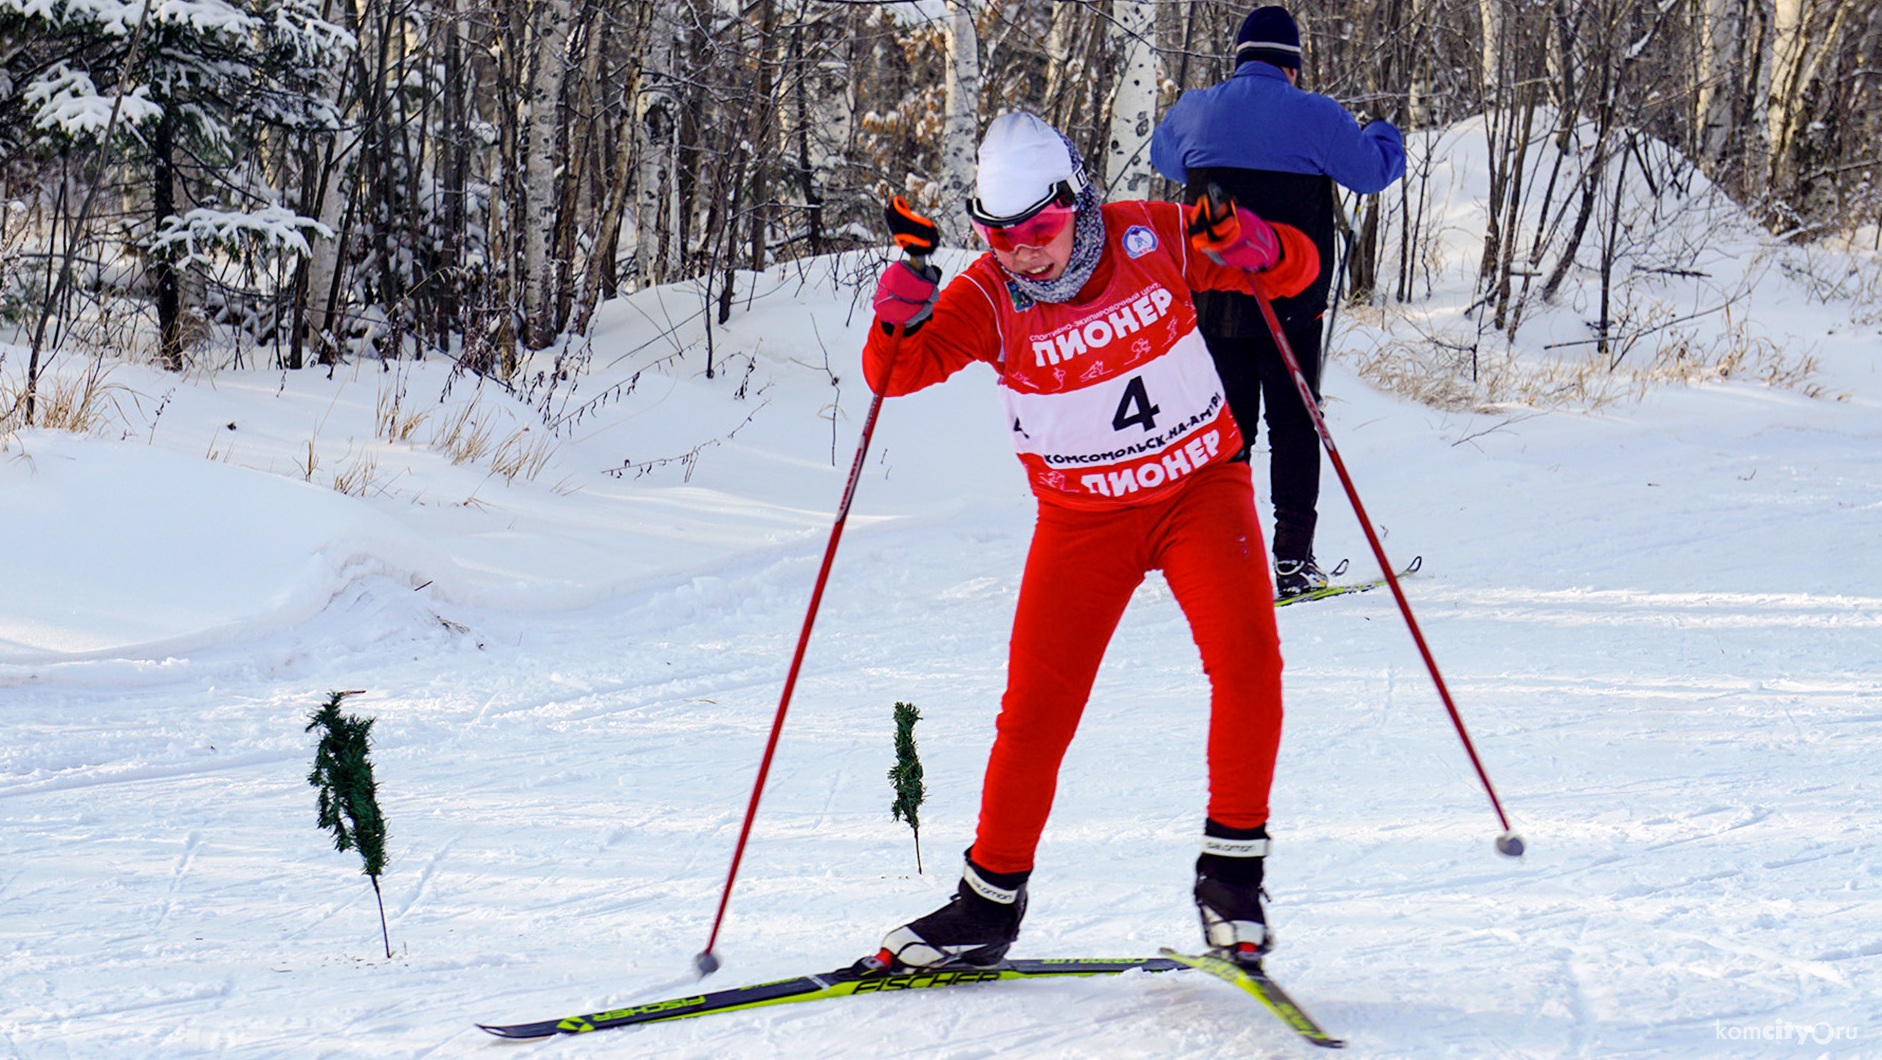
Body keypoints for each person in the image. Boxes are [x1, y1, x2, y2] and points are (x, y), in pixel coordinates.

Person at [860, 111, 1319, 972]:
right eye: (999, 235)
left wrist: (1256, 243)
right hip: (1082, 520)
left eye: (1040, 228)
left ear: (1077, 200)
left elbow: (1296, 270)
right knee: (1035, 710)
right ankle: (987, 905)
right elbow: (894, 373)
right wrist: (897, 312)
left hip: (1199, 491)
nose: (1024, 251)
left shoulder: (1151, 235)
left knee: (1249, 663)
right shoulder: (988, 296)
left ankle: (1231, 879)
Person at [1150, 6, 1405, 597]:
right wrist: (1381, 132)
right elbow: (1370, 173)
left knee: (1225, 427)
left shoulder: (1195, 108)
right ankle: (1292, 559)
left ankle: (1221, 558)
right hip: (1290, 296)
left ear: (1239, 59)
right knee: (1294, 424)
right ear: (1291, 66)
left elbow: (1165, 160)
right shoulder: (1316, 114)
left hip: (1213, 300)